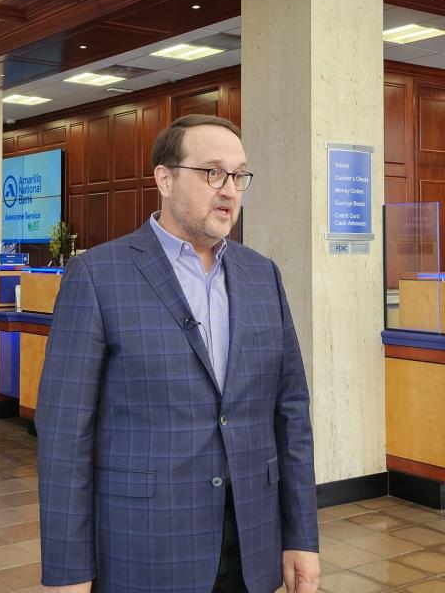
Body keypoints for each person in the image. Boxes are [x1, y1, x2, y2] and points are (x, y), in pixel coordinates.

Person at [36, 114, 320, 593]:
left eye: (239, 175)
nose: (229, 190)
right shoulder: (98, 277)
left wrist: (301, 537)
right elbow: (65, 434)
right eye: (212, 173)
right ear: (164, 179)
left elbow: (291, 415)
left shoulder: (262, 276)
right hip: (145, 547)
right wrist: (68, 571)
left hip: (251, 548)